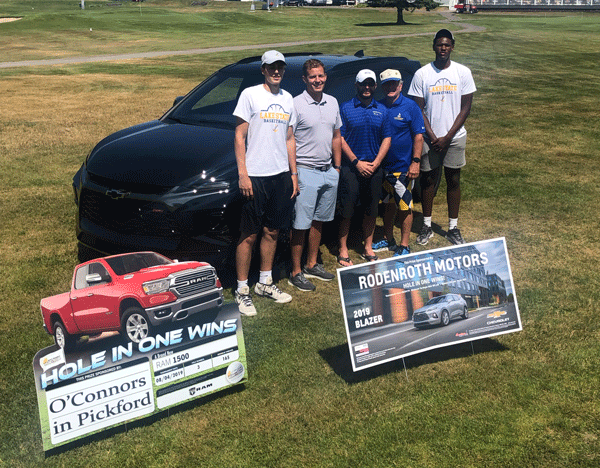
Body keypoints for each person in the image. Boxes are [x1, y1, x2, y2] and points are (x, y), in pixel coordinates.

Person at [232, 50, 299, 316]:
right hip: (255, 176)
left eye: (280, 67)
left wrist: (293, 174)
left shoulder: (288, 99)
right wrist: (243, 173)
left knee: (272, 231)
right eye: (271, 67)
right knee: (248, 234)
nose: (276, 71)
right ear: (263, 69)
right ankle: (241, 289)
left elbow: (290, 138)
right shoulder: (250, 95)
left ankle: (265, 282)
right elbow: (239, 136)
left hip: (281, 175)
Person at [408, 29, 476, 245]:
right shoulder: (422, 74)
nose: (443, 48)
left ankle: (453, 228)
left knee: (453, 180)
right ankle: (426, 225)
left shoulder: (462, 72)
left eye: (447, 44)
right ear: (434, 46)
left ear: (452, 46)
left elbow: (465, 108)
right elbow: (418, 110)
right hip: (430, 139)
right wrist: (432, 135)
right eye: (439, 44)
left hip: (454, 137)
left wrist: (448, 136)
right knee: (428, 180)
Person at [288, 59, 342, 292]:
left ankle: (312, 264)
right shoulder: (296, 104)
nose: (317, 80)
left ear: (325, 77)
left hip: (328, 172)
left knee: (318, 221)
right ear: (304, 79)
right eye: (312, 77)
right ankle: (295, 271)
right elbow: (288, 140)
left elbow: (336, 136)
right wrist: (294, 173)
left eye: (320, 76)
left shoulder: (332, 102)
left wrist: (337, 169)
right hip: (305, 172)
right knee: (300, 224)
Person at [337, 69, 391, 266]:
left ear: (375, 86)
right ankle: (343, 247)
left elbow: (387, 138)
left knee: (371, 209)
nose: (366, 88)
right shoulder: (345, 108)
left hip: (374, 167)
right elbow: (340, 138)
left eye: (370, 84)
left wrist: (376, 163)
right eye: (363, 84)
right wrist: (356, 162)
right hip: (352, 167)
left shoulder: (382, 110)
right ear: (356, 86)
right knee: (347, 209)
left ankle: (368, 246)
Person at [372, 69, 425, 257]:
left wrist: (415, 162)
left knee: (404, 206)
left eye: (394, 83)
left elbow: (419, 136)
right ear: (382, 87)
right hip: (382, 168)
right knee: (387, 205)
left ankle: (404, 245)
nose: (391, 87)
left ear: (401, 85)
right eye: (387, 84)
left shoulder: (410, 107)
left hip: (402, 169)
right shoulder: (377, 106)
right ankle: (388, 239)